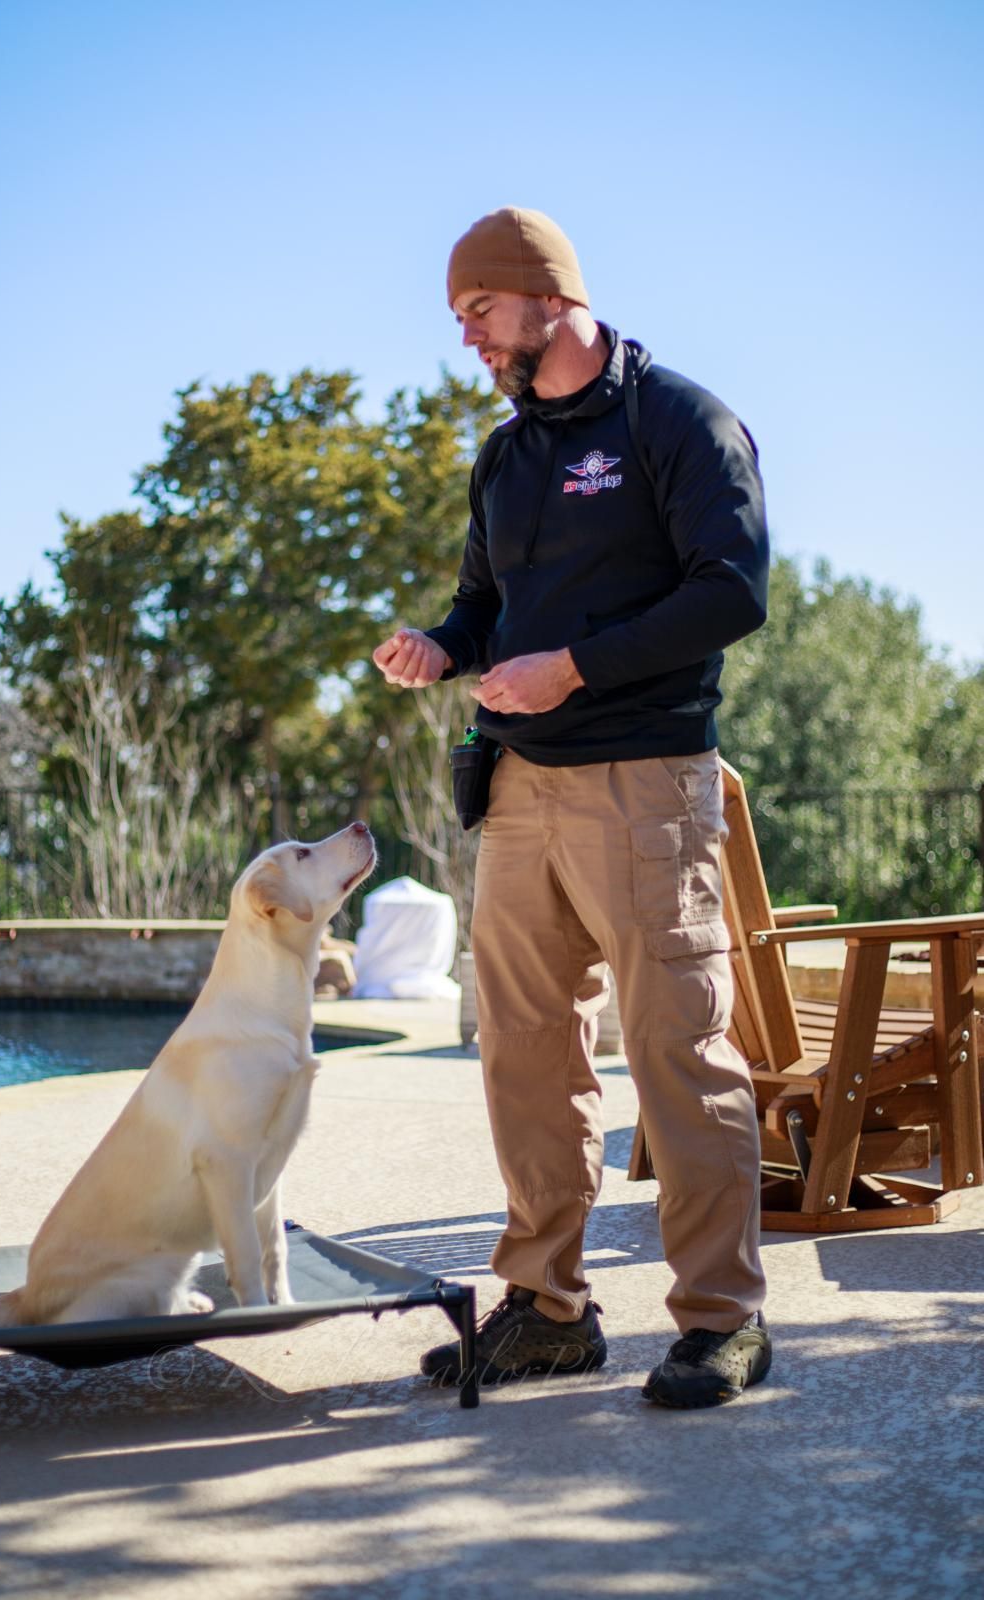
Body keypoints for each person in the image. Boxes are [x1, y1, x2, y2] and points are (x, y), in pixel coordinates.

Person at [372, 207, 772, 1409]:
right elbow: (483, 606)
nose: (468, 338)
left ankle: (722, 1320)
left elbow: (732, 590)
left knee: (676, 1049)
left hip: (645, 783)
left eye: (477, 311)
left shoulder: (679, 421)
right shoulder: (506, 455)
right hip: (519, 790)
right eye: (459, 320)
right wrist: (440, 648)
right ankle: (548, 1310)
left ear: (547, 294)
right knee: (526, 1057)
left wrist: (577, 668)